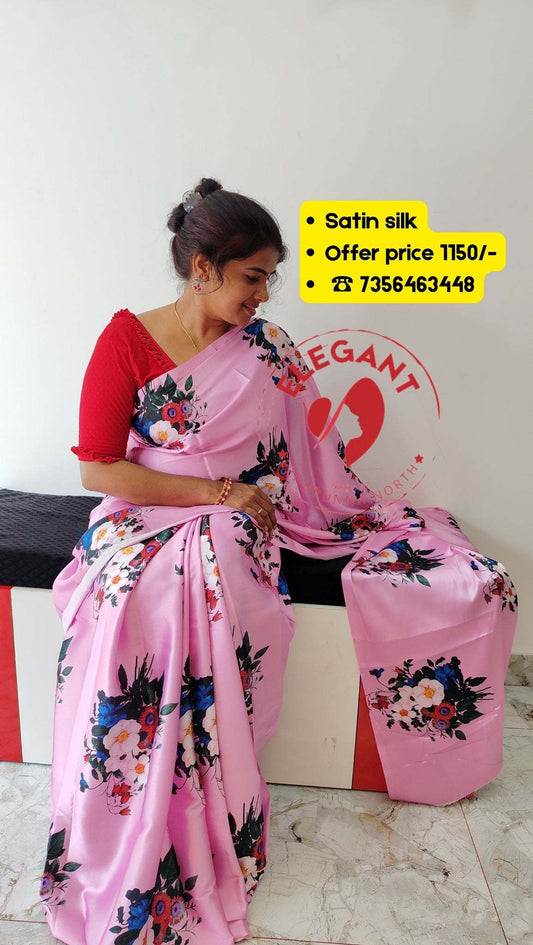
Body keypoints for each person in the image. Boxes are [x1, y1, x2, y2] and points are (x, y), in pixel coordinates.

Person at [40, 178, 518, 945]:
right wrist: (213, 490)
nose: (264, 293)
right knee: (134, 589)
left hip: (245, 518)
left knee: (219, 566)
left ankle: (212, 792)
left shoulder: (269, 348)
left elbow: (314, 457)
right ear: (202, 267)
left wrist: (247, 501)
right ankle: (129, 796)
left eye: (271, 276)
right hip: (145, 509)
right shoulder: (125, 340)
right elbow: (99, 468)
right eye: (251, 276)